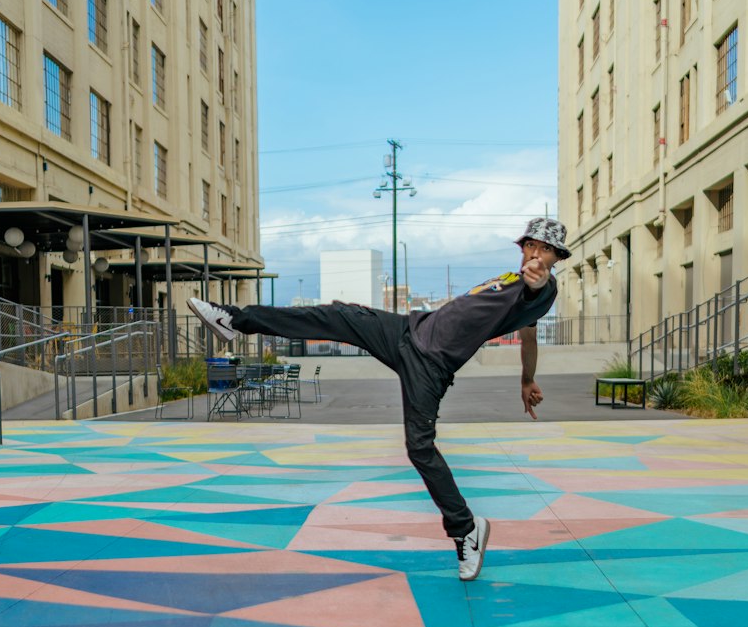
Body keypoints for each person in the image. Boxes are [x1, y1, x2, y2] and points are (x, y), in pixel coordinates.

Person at [188, 216, 571, 582]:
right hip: (408, 330)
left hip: (430, 365)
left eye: (545, 251)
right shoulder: (510, 279)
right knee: (337, 315)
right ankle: (233, 320)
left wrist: (538, 283)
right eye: (530, 246)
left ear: (556, 257)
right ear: (522, 246)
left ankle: (466, 530)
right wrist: (527, 379)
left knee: (420, 448)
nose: (534, 255)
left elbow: (537, 294)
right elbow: (530, 337)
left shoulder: (540, 290)